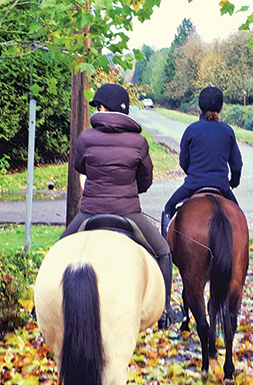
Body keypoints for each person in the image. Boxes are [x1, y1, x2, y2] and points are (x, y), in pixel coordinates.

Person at [60, 82, 180, 329]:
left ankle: (39, 311)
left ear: (103, 107)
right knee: (163, 251)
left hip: (89, 211)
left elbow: (79, 166)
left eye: (98, 106)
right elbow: (145, 180)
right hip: (129, 213)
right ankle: (166, 309)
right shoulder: (139, 142)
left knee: (59, 250)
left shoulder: (86, 138)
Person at [160, 86, 243, 238]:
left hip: (193, 185)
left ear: (200, 107)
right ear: (221, 107)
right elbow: (237, 165)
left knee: (168, 208)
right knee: (239, 219)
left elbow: (184, 161)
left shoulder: (191, 130)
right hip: (222, 186)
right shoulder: (227, 131)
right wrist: (233, 182)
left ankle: (165, 254)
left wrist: (194, 174)